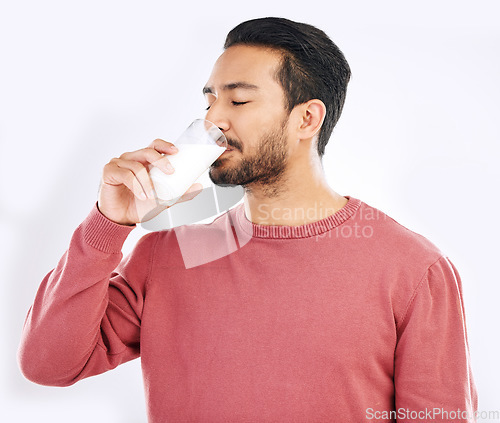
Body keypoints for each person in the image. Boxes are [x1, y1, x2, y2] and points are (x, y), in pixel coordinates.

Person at [18, 17, 478, 422]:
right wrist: (108, 224)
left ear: (306, 119)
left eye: (237, 103)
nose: (213, 120)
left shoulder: (413, 268)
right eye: (209, 102)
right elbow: (48, 365)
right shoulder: (164, 254)